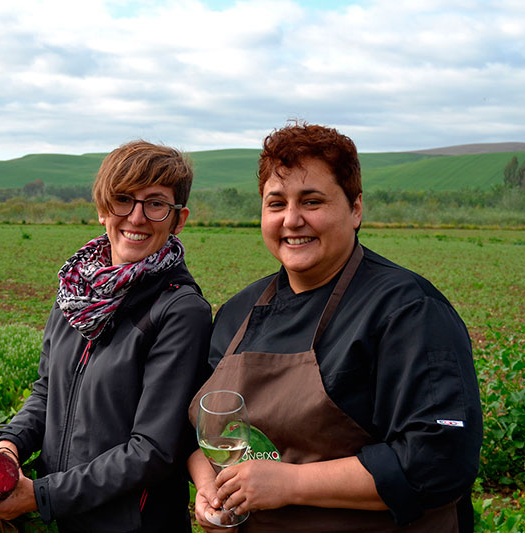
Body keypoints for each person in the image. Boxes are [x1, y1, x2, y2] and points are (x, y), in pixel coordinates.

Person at [187, 122, 482, 532]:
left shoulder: (408, 309)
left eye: (312, 201)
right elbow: (203, 437)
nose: (292, 219)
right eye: (276, 204)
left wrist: (290, 483)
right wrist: (210, 490)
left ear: (356, 208)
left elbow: (440, 459)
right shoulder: (239, 313)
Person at [0, 140, 212, 532]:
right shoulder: (75, 293)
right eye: (123, 199)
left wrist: (41, 496)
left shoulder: (180, 311)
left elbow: (152, 451)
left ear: (178, 219)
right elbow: (46, 392)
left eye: (155, 203)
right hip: (61, 517)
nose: (136, 217)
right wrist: (9, 445)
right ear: (104, 210)